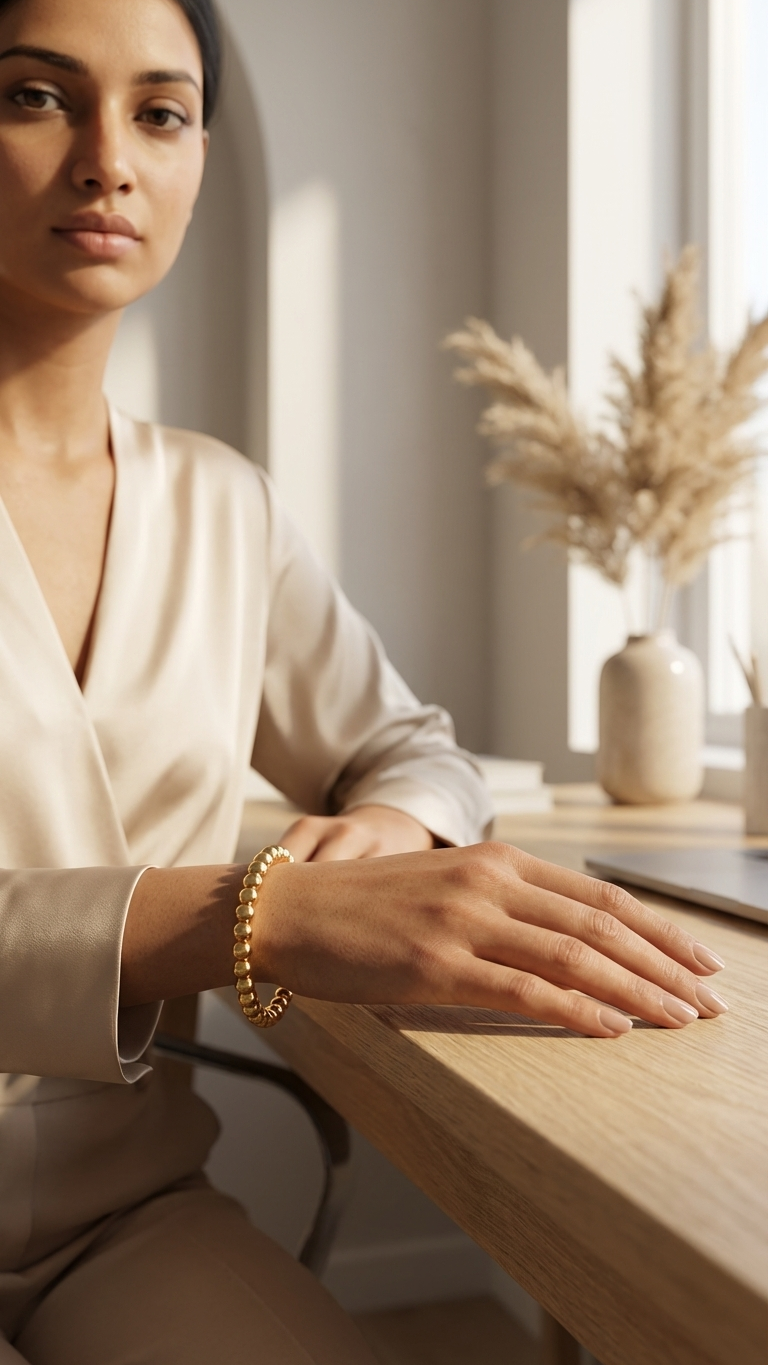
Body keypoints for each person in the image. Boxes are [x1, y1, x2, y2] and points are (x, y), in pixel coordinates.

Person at [0, 0, 728, 1360]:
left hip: (120, 1213)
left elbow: (409, 745)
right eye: (36, 97)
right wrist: (255, 918)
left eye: (159, 112)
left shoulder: (222, 507)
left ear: (199, 157)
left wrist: (390, 831)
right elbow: (250, 919)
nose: (110, 159)